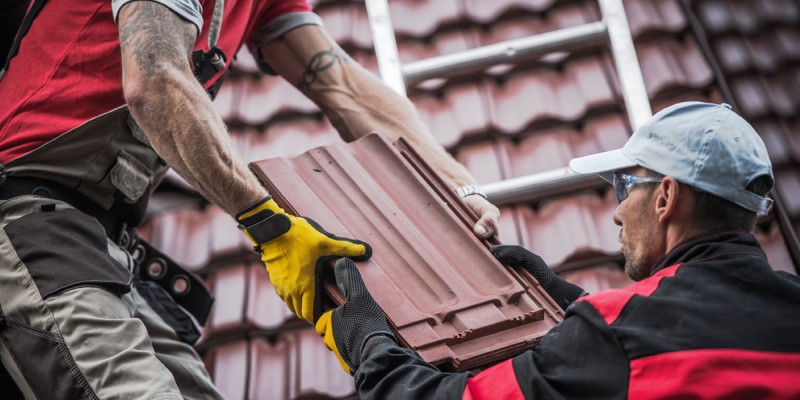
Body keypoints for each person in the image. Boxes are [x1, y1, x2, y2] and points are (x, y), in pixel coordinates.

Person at [0, 0, 499, 398]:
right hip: (25, 221)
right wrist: (269, 224)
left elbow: (344, 86)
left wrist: (457, 188)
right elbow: (156, 81)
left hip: (99, 244)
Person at [315, 101, 800, 399]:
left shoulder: (616, 337)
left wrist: (372, 347)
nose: (616, 211)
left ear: (666, 198)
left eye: (625, 185)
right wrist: (574, 307)